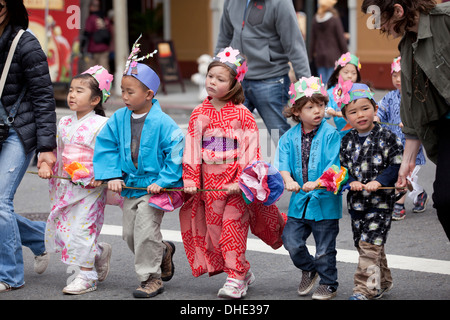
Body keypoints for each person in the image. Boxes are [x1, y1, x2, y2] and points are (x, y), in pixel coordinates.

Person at [180, 47, 285, 299]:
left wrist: (244, 181)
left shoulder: (243, 114)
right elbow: (192, 148)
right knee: (214, 234)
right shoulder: (198, 114)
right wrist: (191, 178)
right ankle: (242, 271)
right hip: (210, 185)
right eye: (210, 76)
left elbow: (251, 150)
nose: (212, 82)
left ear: (234, 84)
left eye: (220, 78)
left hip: (236, 185)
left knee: (232, 228)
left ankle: (236, 277)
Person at [93, 37, 184, 298]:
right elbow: (106, 146)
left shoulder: (163, 122)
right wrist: (111, 175)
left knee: (145, 231)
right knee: (130, 235)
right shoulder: (119, 118)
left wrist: (165, 180)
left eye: (130, 92)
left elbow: (176, 151)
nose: (124, 96)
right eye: (123, 90)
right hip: (131, 186)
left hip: (155, 188)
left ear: (149, 94)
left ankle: (151, 278)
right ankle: (164, 250)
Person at [361, 0, 450, 241]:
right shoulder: (407, 46)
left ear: (399, 11)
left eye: (385, 24)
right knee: (444, 200)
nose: (385, 31)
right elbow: (412, 107)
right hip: (446, 129)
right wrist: (407, 163)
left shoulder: (445, 19)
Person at [38, 66, 116, 295]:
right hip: (66, 184)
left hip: (91, 186)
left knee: (82, 230)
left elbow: (109, 156)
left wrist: (98, 176)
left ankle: (87, 277)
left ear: (94, 100)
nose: (72, 95)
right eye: (71, 90)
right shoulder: (64, 123)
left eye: (79, 91)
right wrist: (46, 164)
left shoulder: (102, 125)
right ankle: (98, 253)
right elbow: (57, 152)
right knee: (64, 231)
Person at [0, 0, 57, 293]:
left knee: (0, 201)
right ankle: (39, 238)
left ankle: (10, 275)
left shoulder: (26, 43)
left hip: (18, 131)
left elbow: (44, 99)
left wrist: (46, 148)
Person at [275, 76, 342, 300]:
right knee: (290, 241)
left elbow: (336, 165)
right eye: (310, 107)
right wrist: (287, 180)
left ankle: (328, 283)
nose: (318, 111)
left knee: (325, 249)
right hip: (299, 202)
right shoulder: (288, 137)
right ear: (296, 112)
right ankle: (309, 268)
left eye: (321, 105)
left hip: (324, 202)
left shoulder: (331, 134)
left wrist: (319, 181)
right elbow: (282, 163)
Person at [337, 82, 403, 300]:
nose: (360, 115)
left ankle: (365, 289)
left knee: (369, 244)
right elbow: (342, 168)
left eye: (365, 108)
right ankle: (382, 281)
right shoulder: (346, 140)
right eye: (353, 112)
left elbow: (396, 164)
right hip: (357, 202)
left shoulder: (388, 136)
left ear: (375, 108)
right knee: (365, 243)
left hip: (381, 202)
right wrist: (352, 180)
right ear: (346, 116)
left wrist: (379, 180)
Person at [215, 0, 311, 143]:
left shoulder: (281, 3)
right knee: (228, 135)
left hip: (271, 80)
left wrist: (307, 86)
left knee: (280, 136)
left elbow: (294, 44)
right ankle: (235, 166)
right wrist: (216, 73)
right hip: (237, 80)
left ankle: (294, 165)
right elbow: (224, 37)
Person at [375, 56, 428, 220]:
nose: (398, 79)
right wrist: (377, 118)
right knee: (402, 177)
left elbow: (423, 118)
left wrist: (410, 124)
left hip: (411, 148)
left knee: (403, 176)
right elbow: (380, 110)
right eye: (394, 75)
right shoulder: (389, 97)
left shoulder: (417, 97)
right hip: (392, 148)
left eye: (402, 75)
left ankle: (399, 205)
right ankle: (420, 194)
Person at [310, 0, 348, 84]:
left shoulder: (315, 19)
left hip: (319, 55)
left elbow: (312, 39)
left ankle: (323, 96)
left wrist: (311, 55)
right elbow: (340, 38)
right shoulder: (334, 19)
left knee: (322, 82)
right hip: (333, 55)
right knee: (332, 81)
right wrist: (346, 54)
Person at [325, 52, 362, 136]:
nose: (350, 76)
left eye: (354, 73)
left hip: (360, 132)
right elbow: (325, 111)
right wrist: (330, 111)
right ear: (337, 74)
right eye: (346, 72)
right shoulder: (331, 93)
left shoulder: (361, 90)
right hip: (342, 135)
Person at [83, 0, 111, 70]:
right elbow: (110, 32)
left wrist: (82, 46)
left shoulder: (91, 19)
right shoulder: (105, 19)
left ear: (92, 7)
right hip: (104, 49)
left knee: (91, 73)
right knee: (104, 71)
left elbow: (87, 33)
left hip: (93, 50)